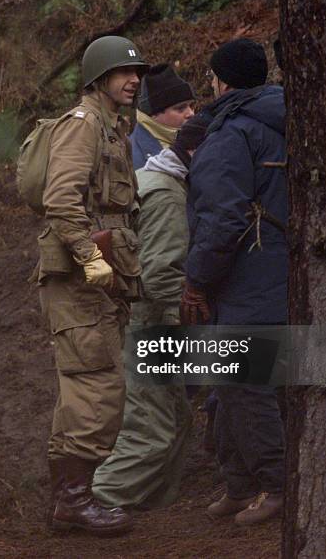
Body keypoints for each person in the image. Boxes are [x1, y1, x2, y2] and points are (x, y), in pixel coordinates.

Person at [37, 35, 148, 536]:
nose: (134, 80)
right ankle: (75, 501)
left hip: (102, 276)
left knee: (86, 386)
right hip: (85, 276)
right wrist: (89, 256)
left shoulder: (112, 129)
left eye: (137, 73)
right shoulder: (83, 127)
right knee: (97, 386)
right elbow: (61, 200)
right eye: (123, 73)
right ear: (98, 79)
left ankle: (69, 499)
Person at [181, 38, 287, 526]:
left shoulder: (232, 134)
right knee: (229, 383)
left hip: (248, 277)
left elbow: (221, 220)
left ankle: (276, 487)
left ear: (220, 81)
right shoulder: (289, 120)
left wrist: (197, 280)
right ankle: (240, 484)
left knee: (246, 384)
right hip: (281, 272)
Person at [93, 115, 209, 509]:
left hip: (144, 318)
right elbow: (159, 277)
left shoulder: (152, 178)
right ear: (195, 152)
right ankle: (94, 504)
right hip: (153, 322)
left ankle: (154, 509)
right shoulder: (167, 194)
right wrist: (197, 309)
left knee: (175, 419)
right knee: (151, 431)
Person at [130, 64, 195, 169]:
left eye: (191, 106)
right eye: (180, 108)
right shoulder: (131, 154)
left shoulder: (198, 142)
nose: (191, 113)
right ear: (154, 114)